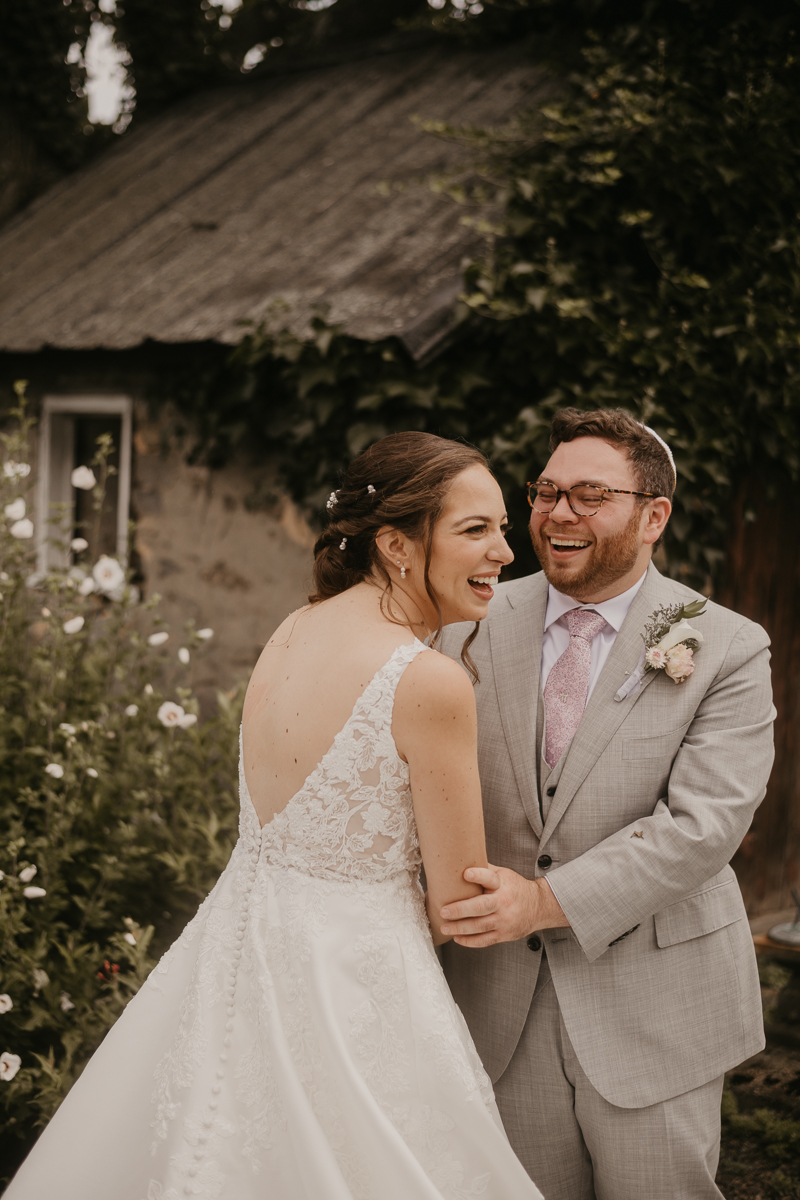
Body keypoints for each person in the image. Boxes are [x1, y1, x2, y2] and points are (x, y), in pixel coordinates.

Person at [6, 432, 545, 1200]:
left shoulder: (293, 629)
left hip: (235, 946)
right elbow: (457, 903)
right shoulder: (429, 680)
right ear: (396, 543)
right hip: (358, 984)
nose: (505, 551)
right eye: (475, 530)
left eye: (500, 527)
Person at [437, 407, 776, 1200]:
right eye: (547, 490)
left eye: (592, 495)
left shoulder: (725, 645)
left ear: (653, 515)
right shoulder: (465, 626)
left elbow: (704, 827)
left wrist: (544, 901)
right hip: (497, 1009)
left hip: (656, 1009)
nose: (559, 513)